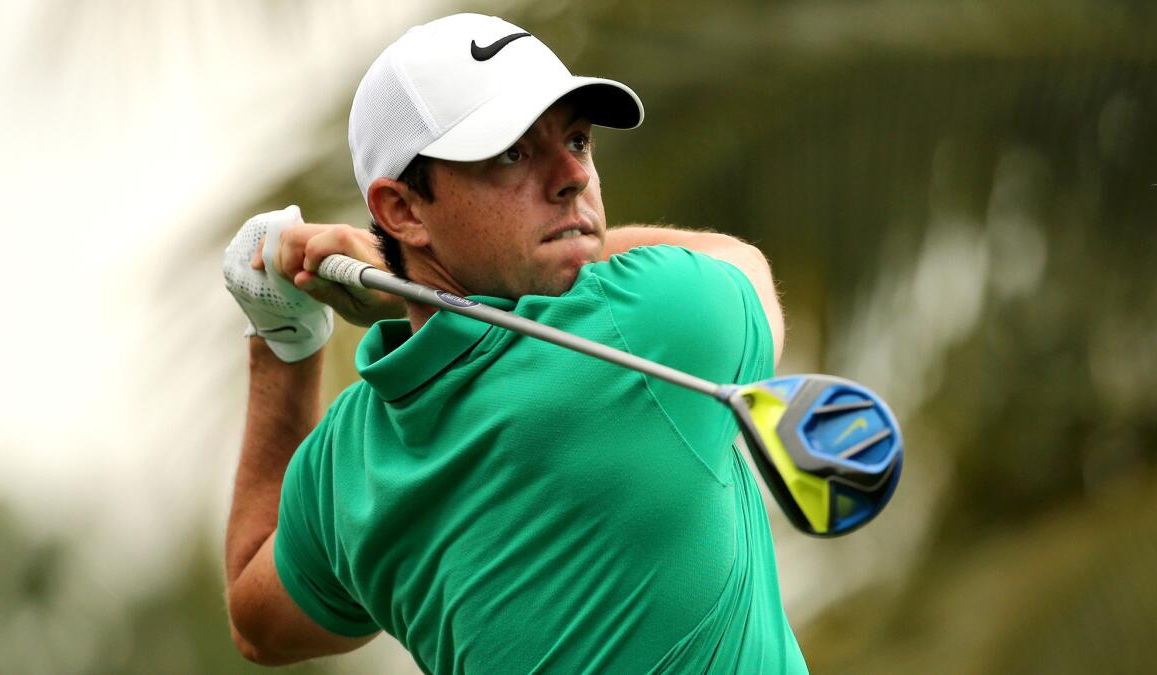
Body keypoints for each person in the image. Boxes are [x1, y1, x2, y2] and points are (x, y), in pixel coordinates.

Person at [221, 12, 804, 674]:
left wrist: (283, 333)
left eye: (578, 141)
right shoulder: (650, 326)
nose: (572, 176)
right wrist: (406, 287)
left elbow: (257, 619)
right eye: (513, 154)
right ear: (403, 211)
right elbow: (737, 260)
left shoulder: (346, 465)